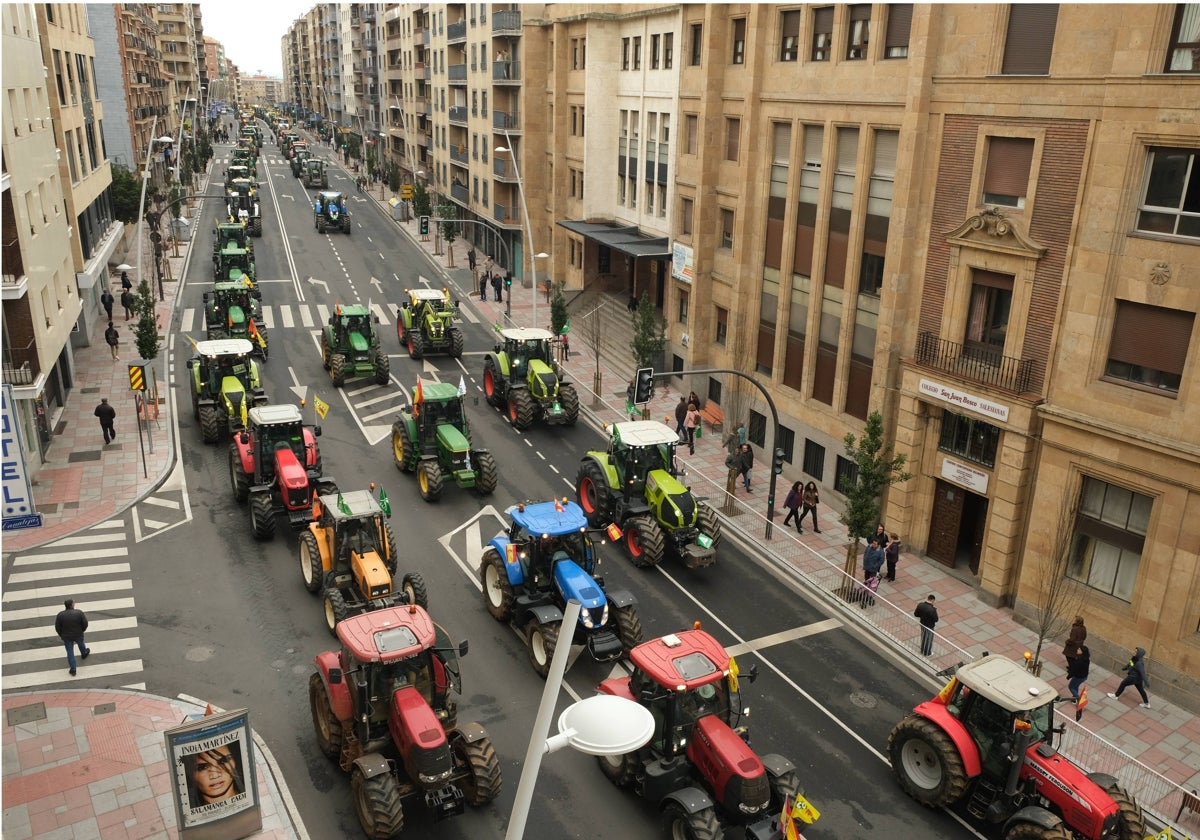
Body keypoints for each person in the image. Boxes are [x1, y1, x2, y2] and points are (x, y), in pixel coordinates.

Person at [55, 599, 90, 676]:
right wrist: (82, 630)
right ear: (72, 605)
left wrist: (62, 635)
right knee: (81, 643)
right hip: (78, 634)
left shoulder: (60, 615)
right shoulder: (79, 613)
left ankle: (73, 669)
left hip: (67, 636)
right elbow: (85, 623)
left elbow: (57, 627)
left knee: (70, 652)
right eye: (74, 602)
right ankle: (84, 653)